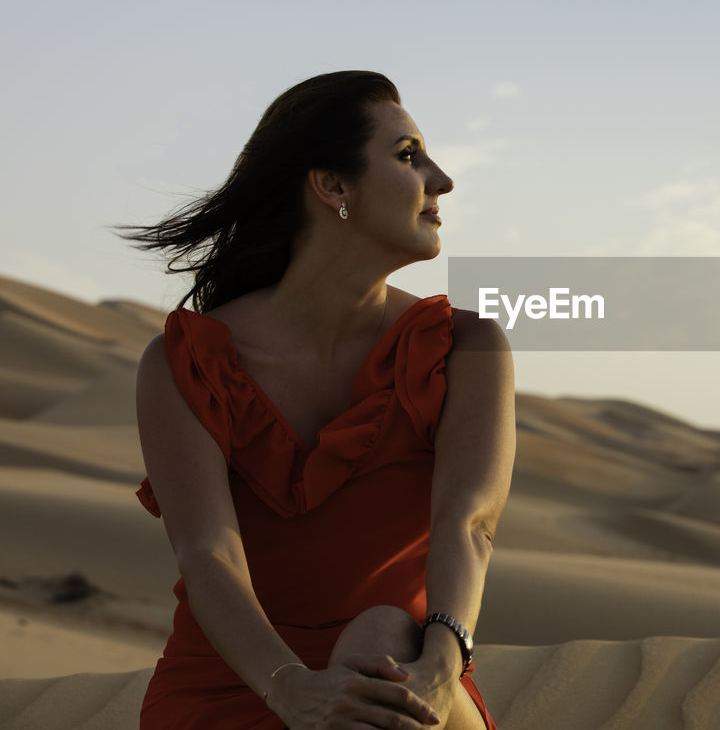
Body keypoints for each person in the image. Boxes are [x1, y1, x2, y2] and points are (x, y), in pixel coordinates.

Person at [120, 71, 515, 729]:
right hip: (239, 679)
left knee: (381, 637)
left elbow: (470, 523)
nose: (441, 179)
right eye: (409, 155)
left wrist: (442, 667)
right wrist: (291, 688)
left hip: (410, 679)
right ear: (332, 185)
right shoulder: (184, 363)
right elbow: (207, 551)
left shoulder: (464, 347)